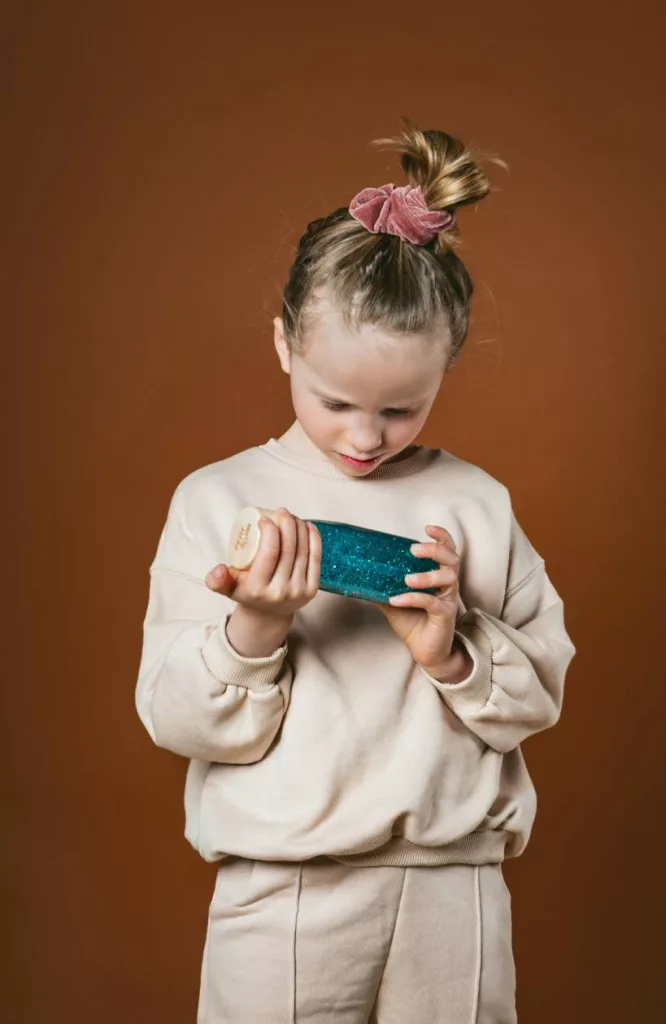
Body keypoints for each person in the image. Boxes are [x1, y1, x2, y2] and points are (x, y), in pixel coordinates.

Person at [135, 117, 577, 1024]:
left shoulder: (475, 503)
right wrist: (254, 628)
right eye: (334, 401)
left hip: (453, 885)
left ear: (444, 370)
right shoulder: (217, 499)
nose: (365, 437)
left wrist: (452, 648)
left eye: (401, 409)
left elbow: (536, 701)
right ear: (283, 345)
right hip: (284, 886)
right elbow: (177, 721)